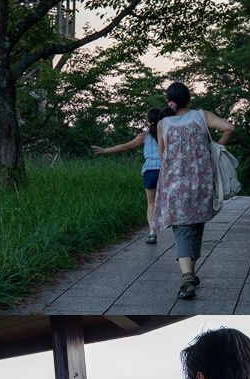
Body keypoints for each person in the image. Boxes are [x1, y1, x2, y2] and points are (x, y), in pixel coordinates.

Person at [153, 81, 235, 300]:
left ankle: (188, 276)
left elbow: (163, 156)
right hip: (201, 183)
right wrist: (217, 145)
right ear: (189, 99)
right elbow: (229, 127)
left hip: (175, 185)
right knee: (196, 226)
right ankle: (190, 272)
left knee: (182, 230)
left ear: (170, 102)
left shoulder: (164, 124)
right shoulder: (201, 116)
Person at [92, 107, 173, 245]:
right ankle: (169, 220)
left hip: (149, 171)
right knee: (167, 199)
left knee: (151, 203)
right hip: (164, 169)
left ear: (148, 120)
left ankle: (152, 233)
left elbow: (125, 147)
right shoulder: (166, 133)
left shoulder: (144, 136)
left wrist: (105, 150)